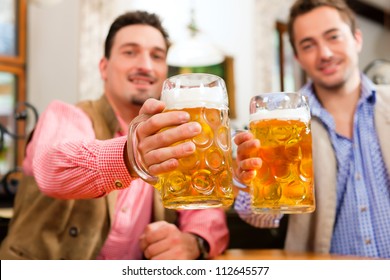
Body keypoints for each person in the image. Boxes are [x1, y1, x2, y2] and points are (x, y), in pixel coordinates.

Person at [0, 11, 229, 260]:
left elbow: (206, 210)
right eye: (130, 52)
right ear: (104, 67)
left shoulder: (171, 135)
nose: (146, 65)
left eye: (157, 56)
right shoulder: (67, 115)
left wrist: (194, 241)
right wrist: (130, 157)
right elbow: (52, 168)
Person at [234, 0, 390, 258]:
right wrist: (248, 180)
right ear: (297, 57)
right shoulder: (280, 122)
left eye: (334, 37)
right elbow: (260, 219)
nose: (325, 53)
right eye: (308, 45)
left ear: (357, 39)